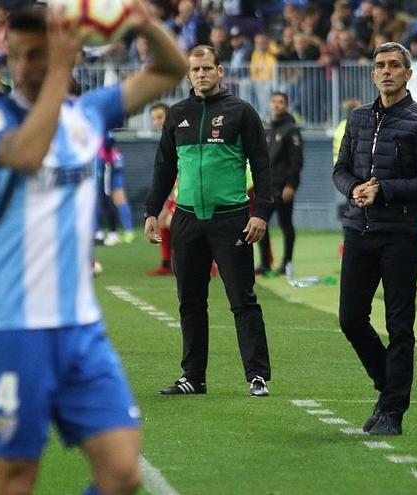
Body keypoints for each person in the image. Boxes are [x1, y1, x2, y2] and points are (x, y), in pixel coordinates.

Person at [0, 4, 187, 494]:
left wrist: (139, 20)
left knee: (122, 474)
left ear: (62, 54)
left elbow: (171, 70)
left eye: (39, 56)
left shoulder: (88, 113)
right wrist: (60, 72)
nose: (26, 66)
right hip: (14, 329)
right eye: (19, 56)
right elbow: (27, 154)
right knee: (16, 478)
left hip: (80, 328)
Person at [144, 44, 274, 397]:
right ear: (188, 75)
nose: (201, 74)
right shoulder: (176, 114)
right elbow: (164, 167)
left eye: (207, 68)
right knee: (190, 301)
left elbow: (262, 166)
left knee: (242, 299)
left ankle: (257, 375)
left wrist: (260, 212)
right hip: (186, 219)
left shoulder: (241, 112)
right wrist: (152, 211)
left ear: (220, 71)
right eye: (195, 70)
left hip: (230, 219)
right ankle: (193, 378)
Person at [333, 42, 417, 435]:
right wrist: (354, 190)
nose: (386, 71)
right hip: (358, 230)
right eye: (380, 65)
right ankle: (388, 387)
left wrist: (383, 190)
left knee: (400, 326)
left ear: (408, 74)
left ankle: (392, 412)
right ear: (372, 74)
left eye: (394, 65)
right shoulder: (359, 117)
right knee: (350, 319)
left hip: (399, 236)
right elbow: (340, 169)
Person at [256, 91, 303, 275]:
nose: (276, 105)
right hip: (266, 187)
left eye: (280, 102)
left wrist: (291, 185)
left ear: (286, 105)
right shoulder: (266, 127)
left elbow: (296, 161)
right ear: (269, 104)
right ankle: (265, 263)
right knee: (260, 222)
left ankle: (287, 263)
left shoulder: (291, 129)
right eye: (274, 101)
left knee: (285, 224)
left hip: (283, 186)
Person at [146, 102, 175, 276]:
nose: (158, 122)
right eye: (155, 118)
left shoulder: (179, 134)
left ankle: (208, 263)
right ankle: (167, 264)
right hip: (176, 192)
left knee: (173, 223)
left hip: (189, 191)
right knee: (164, 221)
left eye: (160, 117)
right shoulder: (165, 138)